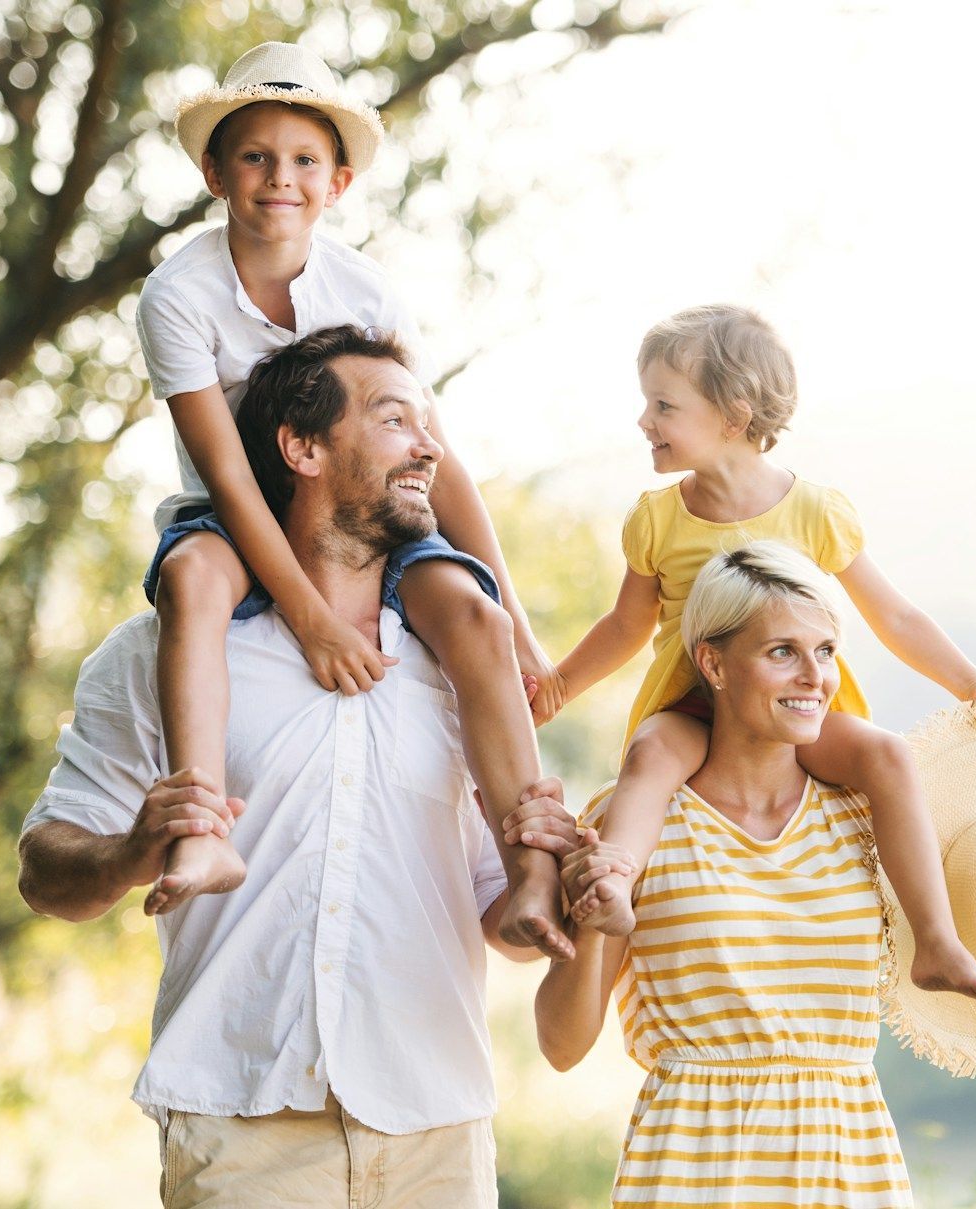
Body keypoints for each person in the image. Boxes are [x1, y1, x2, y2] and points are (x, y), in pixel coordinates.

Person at [19, 326, 580, 1207]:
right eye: (396, 421)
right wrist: (131, 852)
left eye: (427, 424)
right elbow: (44, 871)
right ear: (302, 446)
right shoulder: (161, 654)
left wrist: (566, 893)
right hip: (239, 1130)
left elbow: (496, 917)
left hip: (436, 1135)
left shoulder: (462, 663)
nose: (430, 448)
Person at [133, 41, 562, 954]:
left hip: (362, 501)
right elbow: (230, 473)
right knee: (195, 578)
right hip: (241, 509)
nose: (278, 179)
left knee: (470, 617)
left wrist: (515, 615)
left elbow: (429, 450)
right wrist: (312, 620)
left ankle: (529, 860)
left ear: (340, 182)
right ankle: (203, 826)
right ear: (214, 172)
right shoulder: (178, 293)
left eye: (303, 161)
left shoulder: (363, 288)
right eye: (254, 156)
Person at [533, 303, 976, 1000]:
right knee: (651, 756)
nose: (644, 421)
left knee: (887, 755)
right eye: (647, 403)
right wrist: (557, 686)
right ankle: (615, 882)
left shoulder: (812, 510)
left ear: (733, 417)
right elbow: (626, 626)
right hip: (693, 707)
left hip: (794, 711)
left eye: (664, 405)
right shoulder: (659, 518)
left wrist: (973, 685)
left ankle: (937, 941)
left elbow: (893, 614)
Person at [536, 541, 916, 1205]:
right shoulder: (634, 821)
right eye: (782, 652)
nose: (814, 676)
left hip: (848, 1173)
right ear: (712, 661)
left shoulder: (863, 817)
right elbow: (562, 1046)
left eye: (825, 650)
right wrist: (596, 927)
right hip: (692, 1173)